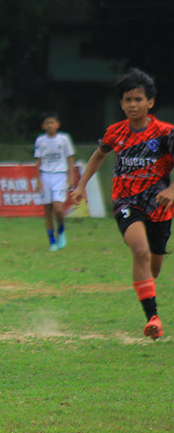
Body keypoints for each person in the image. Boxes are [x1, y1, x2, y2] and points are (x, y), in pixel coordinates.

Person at [72, 68, 174, 340]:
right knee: (139, 252)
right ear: (121, 103)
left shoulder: (165, 133)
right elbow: (98, 155)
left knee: (153, 268)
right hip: (126, 201)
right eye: (127, 100)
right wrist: (81, 185)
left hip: (160, 205)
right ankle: (153, 319)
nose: (132, 105)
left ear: (150, 102)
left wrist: (172, 189)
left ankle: (149, 299)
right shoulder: (116, 132)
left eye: (138, 99)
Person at [34, 112, 77, 251]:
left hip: (60, 176)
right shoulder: (40, 140)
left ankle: (62, 231)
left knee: (58, 209)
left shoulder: (64, 139)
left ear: (57, 125)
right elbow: (38, 161)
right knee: (47, 211)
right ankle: (52, 241)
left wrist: (71, 176)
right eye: (47, 123)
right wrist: (38, 180)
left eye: (52, 122)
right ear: (43, 126)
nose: (50, 125)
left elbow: (70, 158)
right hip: (46, 176)